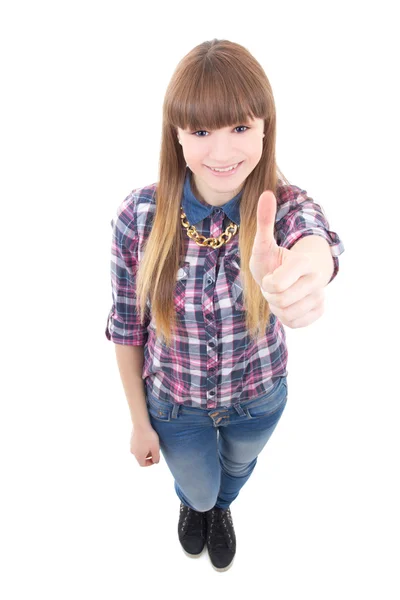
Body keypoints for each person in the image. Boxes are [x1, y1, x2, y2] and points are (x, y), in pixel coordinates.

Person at [105, 38, 345, 572]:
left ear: (265, 128)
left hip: (259, 397)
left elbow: (314, 238)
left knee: (238, 466)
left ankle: (223, 507)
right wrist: (139, 423)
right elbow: (127, 329)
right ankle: (198, 504)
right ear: (178, 136)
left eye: (239, 127)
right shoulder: (138, 217)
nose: (221, 151)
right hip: (174, 406)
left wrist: (309, 269)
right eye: (201, 131)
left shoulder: (280, 207)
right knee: (197, 482)